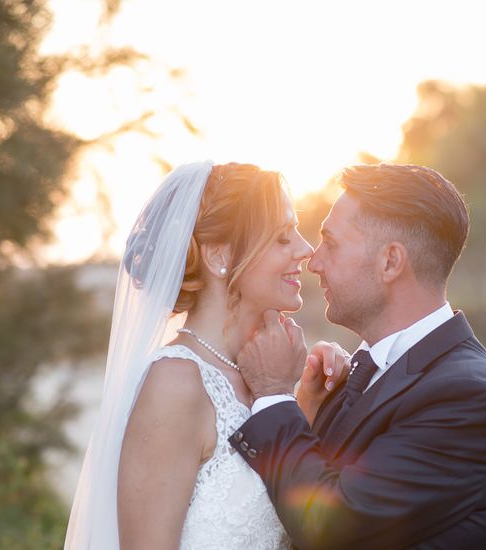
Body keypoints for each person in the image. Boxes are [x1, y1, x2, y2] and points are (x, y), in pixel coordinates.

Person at [231, 164, 486, 549]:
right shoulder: (356, 374)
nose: (314, 261)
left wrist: (274, 394)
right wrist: (306, 409)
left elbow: (331, 528)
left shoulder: (469, 397)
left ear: (390, 262)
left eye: (332, 244)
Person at [63, 161, 344, 549]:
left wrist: (306, 403)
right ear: (218, 257)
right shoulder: (175, 383)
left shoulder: (264, 374)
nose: (305, 249)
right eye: (282, 237)